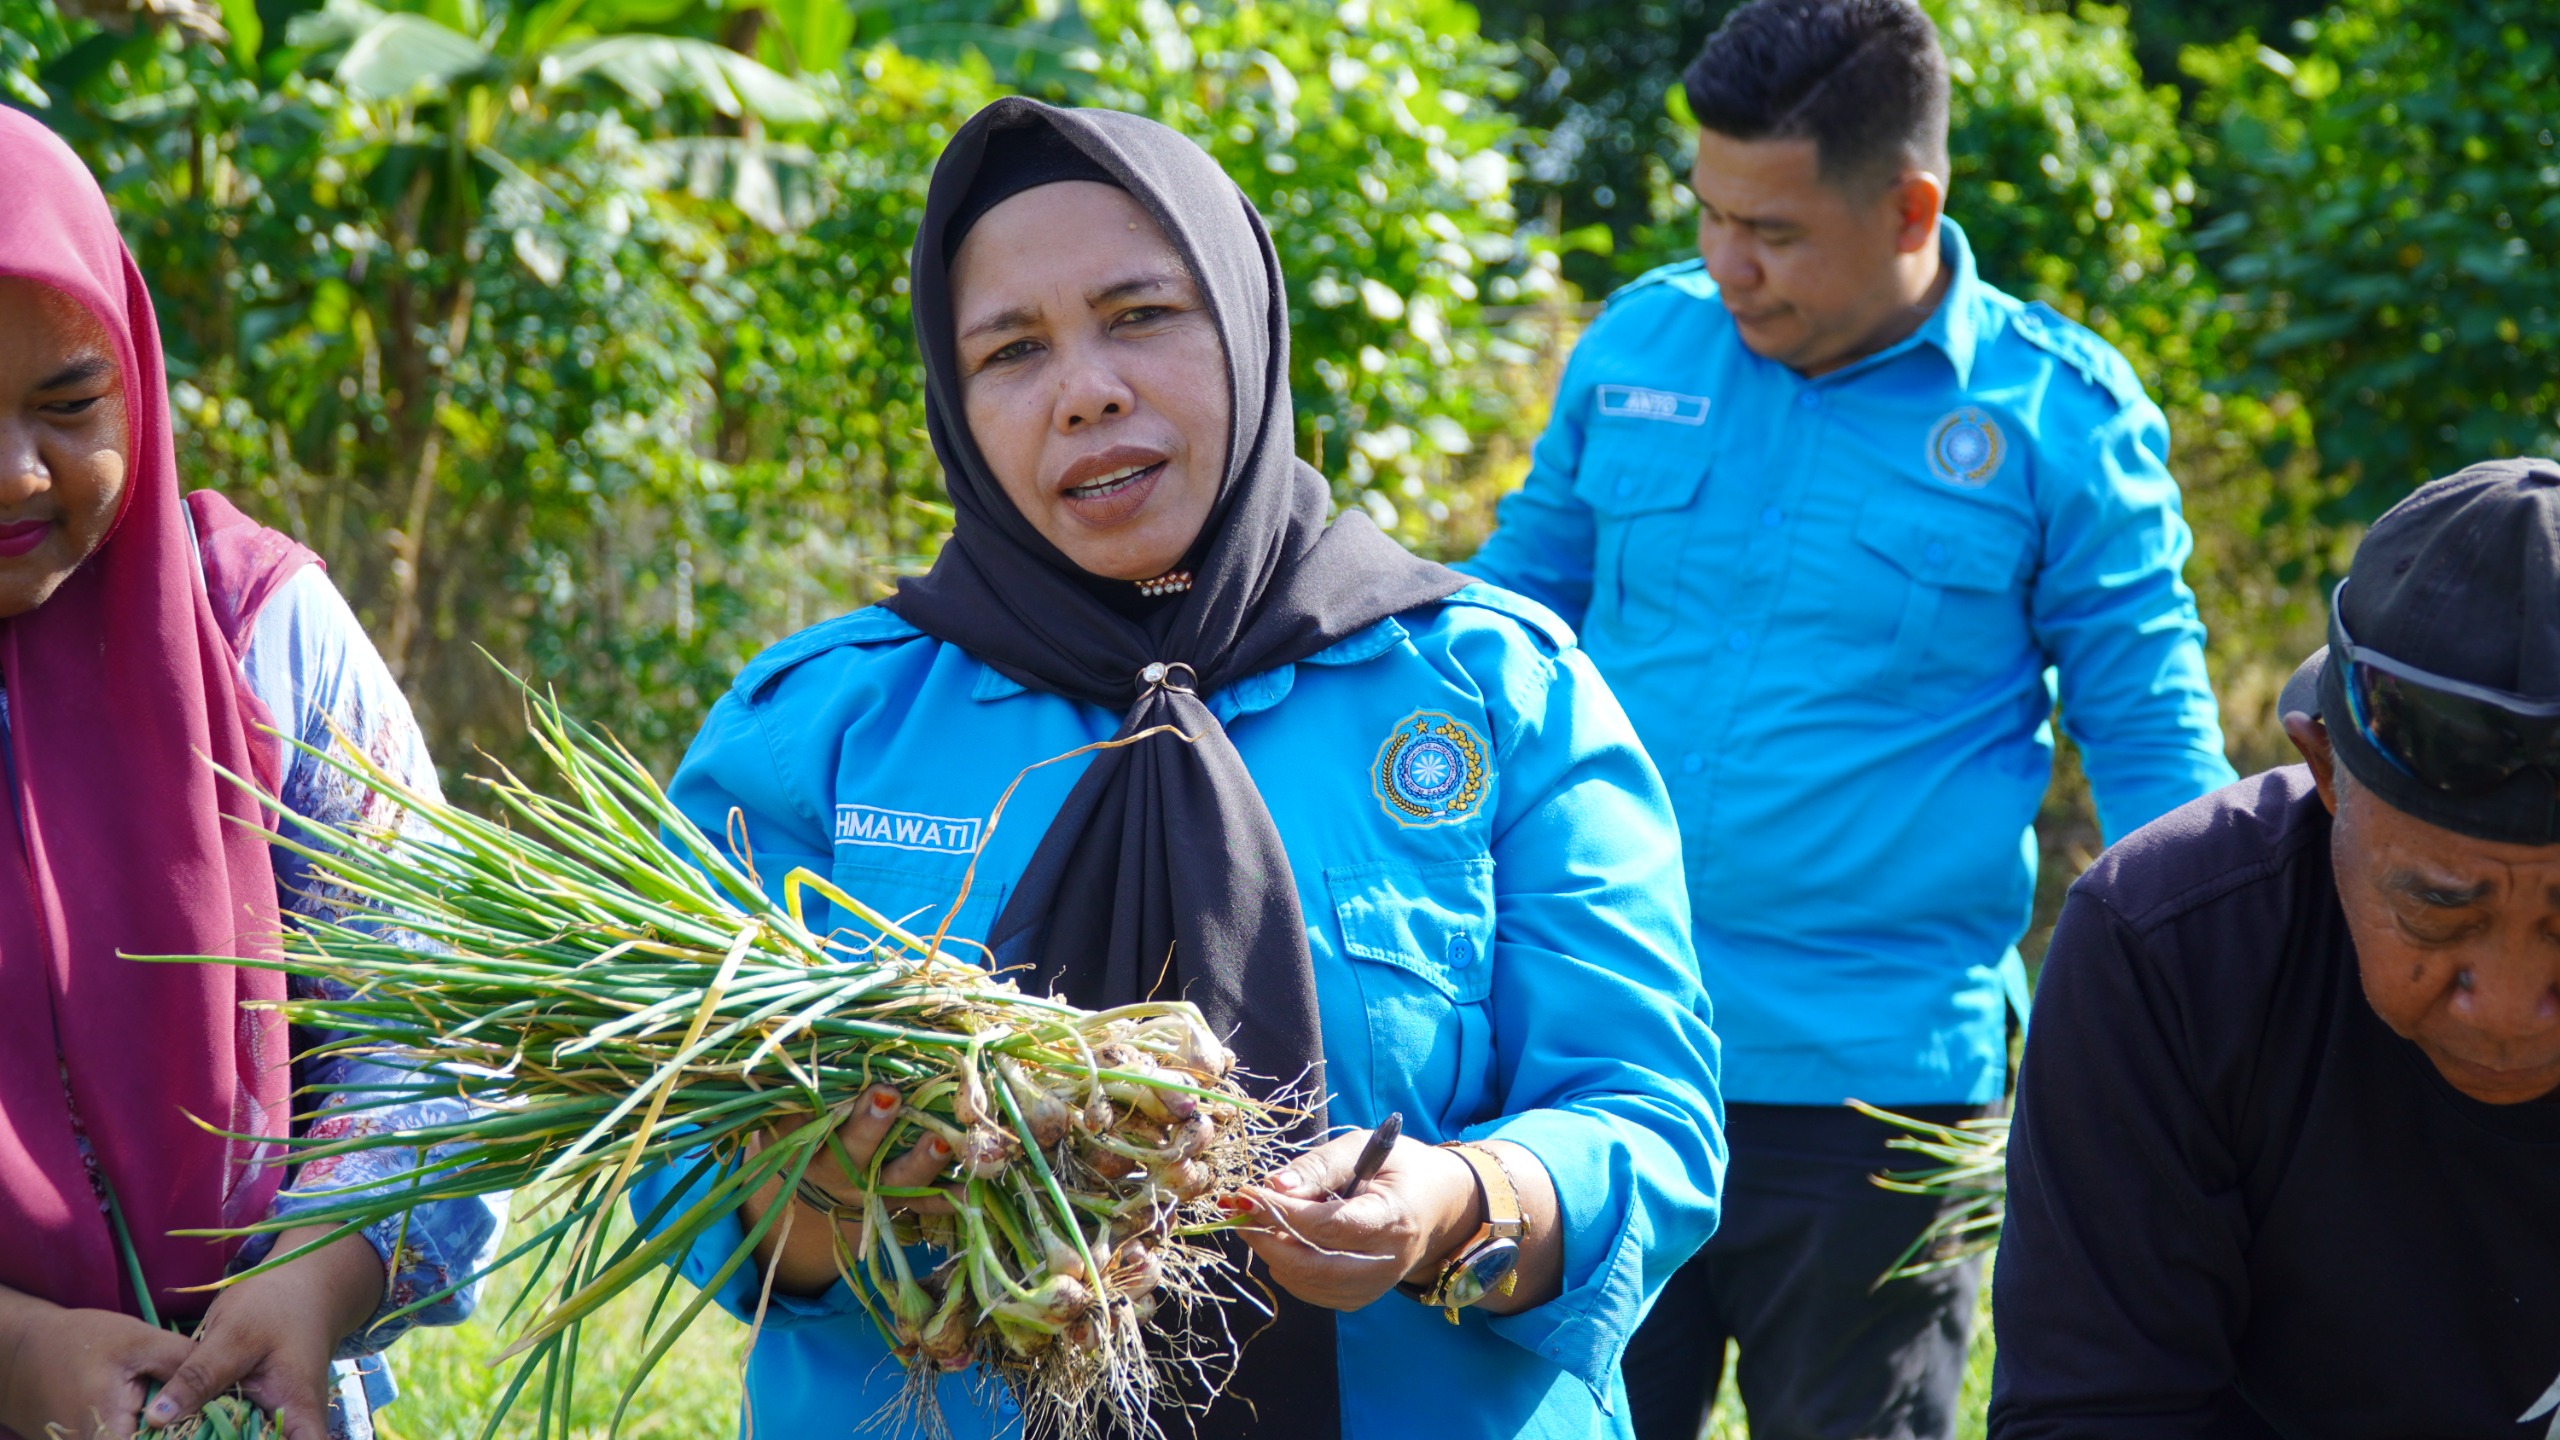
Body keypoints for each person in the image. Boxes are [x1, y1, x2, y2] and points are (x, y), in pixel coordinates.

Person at [627, 97, 1725, 1439]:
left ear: (1245, 324)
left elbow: (1647, 1116)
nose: (1086, 388)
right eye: (1012, 350)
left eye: (1141, 314)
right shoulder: (819, 727)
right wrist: (829, 1187)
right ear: (956, 403)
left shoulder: (1492, 689)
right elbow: (677, 1164)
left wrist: (1451, 1208)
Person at [1456, 0, 2239, 1434]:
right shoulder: (1639, 348)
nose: (1725, 263)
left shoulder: (2056, 419)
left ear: (1909, 210)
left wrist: (2208, 1023)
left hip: (1871, 1099)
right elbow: (1498, 634)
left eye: (1773, 231)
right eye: (1709, 213)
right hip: (1590, 1041)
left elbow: (2150, 741)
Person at [0, 110, 503, 1440]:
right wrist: (16, 1354)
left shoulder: (260, 635)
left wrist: (318, 1273)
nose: (17, 471)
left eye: (69, 405)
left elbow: (434, 1018)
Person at [1989, 458, 2560, 1436]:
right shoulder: (2169, 955)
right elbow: (2098, 1414)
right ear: (2326, 770)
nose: (2510, 1011)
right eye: (2436, 911)